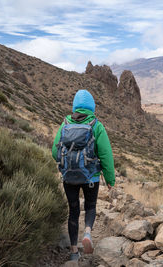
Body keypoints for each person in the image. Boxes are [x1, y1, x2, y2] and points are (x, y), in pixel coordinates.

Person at [52, 89, 115, 260]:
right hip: (91, 177)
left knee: (73, 210)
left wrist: (65, 167)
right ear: (92, 107)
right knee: (90, 206)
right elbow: (106, 155)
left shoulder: (65, 123)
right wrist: (110, 180)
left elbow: (54, 151)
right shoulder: (96, 125)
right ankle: (87, 233)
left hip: (69, 178)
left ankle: (73, 252)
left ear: (75, 106)